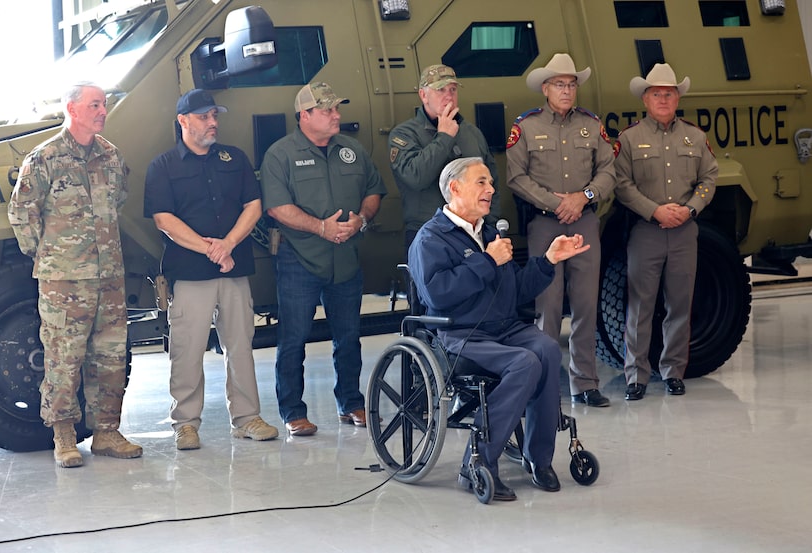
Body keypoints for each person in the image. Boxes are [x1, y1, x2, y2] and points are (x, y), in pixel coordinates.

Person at [409, 157, 591, 501]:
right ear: (455, 188)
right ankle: (476, 463)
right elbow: (437, 294)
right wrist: (487, 260)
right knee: (524, 362)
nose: (491, 190)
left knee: (549, 349)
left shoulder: (490, 232)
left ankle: (538, 459)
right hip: (460, 336)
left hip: (504, 328)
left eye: (490, 183)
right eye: (481, 182)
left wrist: (548, 260)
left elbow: (517, 291)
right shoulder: (430, 238)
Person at [8, 82, 142, 467]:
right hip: (64, 283)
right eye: (95, 105)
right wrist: (52, 257)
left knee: (111, 357)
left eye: (104, 104)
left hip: (109, 279)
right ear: (73, 108)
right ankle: (64, 435)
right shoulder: (45, 158)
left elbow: (118, 200)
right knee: (64, 359)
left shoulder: (111, 157)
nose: (103, 111)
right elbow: (22, 214)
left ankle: (106, 432)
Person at [144, 89, 278, 450]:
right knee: (187, 351)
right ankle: (185, 424)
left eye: (215, 115)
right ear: (183, 121)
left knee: (241, 346)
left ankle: (247, 418)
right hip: (190, 273)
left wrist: (229, 244)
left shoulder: (233, 158)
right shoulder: (164, 165)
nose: (213, 122)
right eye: (204, 116)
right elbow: (164, 219)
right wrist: (213, 249)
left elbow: (253, 205)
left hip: (234, 269)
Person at [261, 82, 387, 436]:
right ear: (305, 116)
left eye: (337, 109)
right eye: (328, 110)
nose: (337, 116)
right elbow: (276, 206)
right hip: (299, 259)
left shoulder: (352, 150)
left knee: (348, 337)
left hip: (345, 257)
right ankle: (292, 411)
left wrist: (361, 219)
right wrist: (321, 228)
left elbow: (374, 190)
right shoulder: (280, 154)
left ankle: (351, 402)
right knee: (294, 338)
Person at [506, 53, 616, 408]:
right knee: (548, 306)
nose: (567, 90)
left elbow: (608, 172)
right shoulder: (527, 126)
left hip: (583, 220)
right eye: (559, 84)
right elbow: (515, 177)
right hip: (545, 224)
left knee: (585, 303)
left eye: (571, 84)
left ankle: (585, 383)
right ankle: (543, 385)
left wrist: (582, 198)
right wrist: (557, 203)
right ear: (545, 88)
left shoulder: (591, 124)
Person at [614, 63, 718, 400]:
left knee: (680, 305)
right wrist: (654, 210)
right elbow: (621, 184)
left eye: (669, 93)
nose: (663, 99)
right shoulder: (629, 139)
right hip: (647, 231)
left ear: (677, 98)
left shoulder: (695, 137)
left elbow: (709, 179)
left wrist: (690, 209)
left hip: (685, 230)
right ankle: (636, 376)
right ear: (645, 98)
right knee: (639, 306)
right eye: (657, 93)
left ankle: (673, 371)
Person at [389, 64, 500, 253]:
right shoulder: (404, 134)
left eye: (453, 89)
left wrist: (491, 225)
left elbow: (492, 182)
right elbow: (416, 177)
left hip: (473, 231)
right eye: (440, 89)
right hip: (428, 234)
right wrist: (444, 138)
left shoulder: (471, 132)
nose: (448, 95)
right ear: (423, 95)